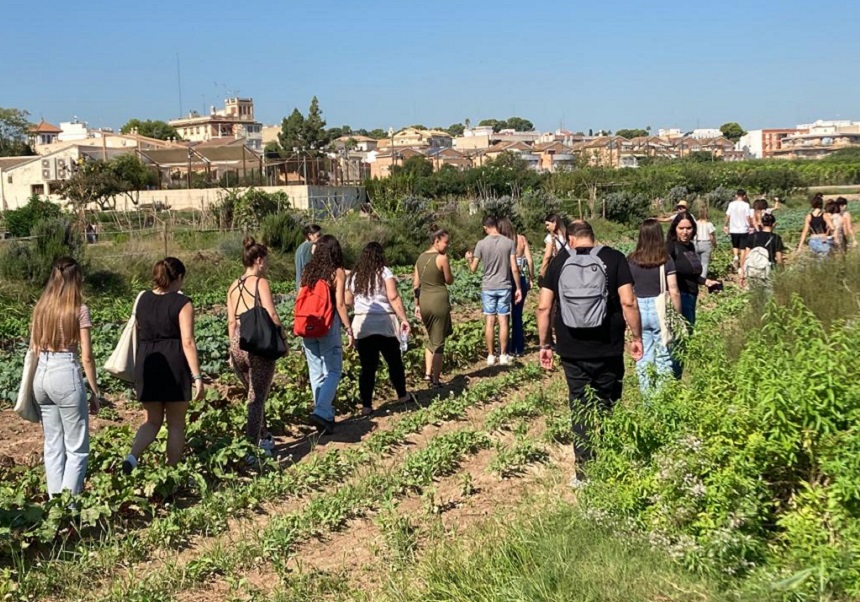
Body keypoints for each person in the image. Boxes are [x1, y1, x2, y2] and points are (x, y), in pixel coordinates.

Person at [537, 221, 642, 484]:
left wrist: (545, 344)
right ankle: (611, 466)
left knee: (580, 408)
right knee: (609, 405)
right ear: (592, 236)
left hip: (572, 349)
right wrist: (636, 336)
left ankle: (583, 475)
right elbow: (628, 301)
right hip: (609, 347)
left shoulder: (559, 262)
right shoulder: (614, 258)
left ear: (571, 238)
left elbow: (543, 308)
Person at [123, 258, 205, 474]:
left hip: (148, 363)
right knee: (176, 424)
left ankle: (132, 456)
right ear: (178, 278)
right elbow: (187, 342)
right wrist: (197, 377)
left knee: (152, 421)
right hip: (173, 362)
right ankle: (171, 471)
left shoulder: (143, 299)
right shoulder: (183, 303)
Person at [30, 257, 100, 497]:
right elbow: (87, 357)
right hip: (65, 373)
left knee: (52, 445)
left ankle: (54, 502)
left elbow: (34, 346)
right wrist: (94, 391)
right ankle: (67, 508)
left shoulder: (41, 308)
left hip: (41, 374)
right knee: (77, 449)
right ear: (77, 278)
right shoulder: (79, 310)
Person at [227, 237, 286, 461]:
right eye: (266, 261)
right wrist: (283, 338)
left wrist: (231, 350)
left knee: (253, 393)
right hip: (257, 342)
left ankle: (265, 437)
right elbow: (271, 313)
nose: (267, 265)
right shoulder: (260, 283)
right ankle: (251, 448)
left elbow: (231, 322)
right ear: (259, 260)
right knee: (257, 397)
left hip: (237, 342)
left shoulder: (233, 286)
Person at [345, 242, 413, 416]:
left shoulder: (354, 276)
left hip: (362, 324)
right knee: (394, 362)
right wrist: (403, 319)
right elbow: (393, 296)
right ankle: (402, 395)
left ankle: (366, 406)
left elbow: (347, 301)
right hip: (384, 324)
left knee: (368, 366)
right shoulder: (384, 272)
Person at [299, 234, 353, 435]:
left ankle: (326, 415)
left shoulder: (308, 271)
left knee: (316, 371)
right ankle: (321, 411)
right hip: (327, 325)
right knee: (334, 370)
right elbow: (340, 303)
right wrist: (348, 328)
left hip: (308, 325)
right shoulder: (336, 272)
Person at [628, 220, 682, 395]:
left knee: (643, 357)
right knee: (664, 357)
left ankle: (648, 400)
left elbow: (627, 291)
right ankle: (663, 400)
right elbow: (673, 290)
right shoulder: (665, 260)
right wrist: (677, 315)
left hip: (639, 309)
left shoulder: (631, 260)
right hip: (660, 309)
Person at [465, 216, 522, 366]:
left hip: (488, 287)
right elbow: (514, 268)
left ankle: (490, 355)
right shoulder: (509, 243)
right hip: (504, 286)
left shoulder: (481, 244)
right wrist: (519, 287)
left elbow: (473, 269)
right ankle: (503, 355)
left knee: (489, 321)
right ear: (497, 225)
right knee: (503, 321)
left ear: (485, 227)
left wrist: (469, 259)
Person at [413, 229, 454, 388]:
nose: (447, 245)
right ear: (437, 241)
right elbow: (449, 280)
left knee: (431, 338)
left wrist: (417, 304)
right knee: (438, 343)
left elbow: (416, 285)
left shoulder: (420, 258)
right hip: (438, 301)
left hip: (424, 302)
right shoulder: (442, 258)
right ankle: (435, 380)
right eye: (446, 242)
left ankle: (427, 373)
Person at [667, 212, 721, 330]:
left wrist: (706, 282)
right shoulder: (671, 247)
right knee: (683, 332)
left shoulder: (690, 246)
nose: (685, 232)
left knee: (689, 329)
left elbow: (691, 273)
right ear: (675, 228)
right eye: (681, 228)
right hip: (680, 296)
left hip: (691, 294)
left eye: (688, 228)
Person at [497, 217, 534, 356]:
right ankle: (518, 347)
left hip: (505, 279)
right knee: (517, 315)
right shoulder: (522, 239)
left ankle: (504, 349)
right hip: (521, 278)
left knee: (504, 315)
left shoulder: (501, 243)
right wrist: (531, 278)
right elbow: (529, 261)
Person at [740, 213, 785, 288]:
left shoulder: (752, 236)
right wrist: (781, 271)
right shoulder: (776, 238)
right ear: (774, 224)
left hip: (752, 268)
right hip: (768, 269)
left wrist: (742, 272)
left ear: (761, 224)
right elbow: (779, 259)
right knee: (768, 293)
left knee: (753, 292)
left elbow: (746, 256)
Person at [724, 189, 753, 270]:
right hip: (744, 229)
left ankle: (736, 256)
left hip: (733, 229)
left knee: (735, 245)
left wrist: (726, 225)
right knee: (743, 248)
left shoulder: (731, 204)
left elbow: (727, 215)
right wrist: (750, 225)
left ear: (736, 195)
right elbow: (747, 217)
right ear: (744, 196)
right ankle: (742, 265)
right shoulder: (746, 205)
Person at [538, 213, 567, 282]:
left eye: (548, 225)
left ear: (554, 223)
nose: (547, 227)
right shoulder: (568, 236)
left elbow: (547, 256)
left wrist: (542, 270)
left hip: (557, 268)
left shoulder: (551, 238)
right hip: (568, 266)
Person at [295, 224, 322, 290]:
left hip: (301, 284)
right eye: (318, 235)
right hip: (308, 285)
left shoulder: (300, 247)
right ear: (310, 235)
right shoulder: (311, 247)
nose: (320, 238)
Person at [694, 207, 717, 278]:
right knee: (704, 263)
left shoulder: (695, 223)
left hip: (696, 243)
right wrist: (715, 244)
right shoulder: (709, 224)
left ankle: (696, 277)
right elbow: (712, 236)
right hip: (706, 244)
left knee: (697, 262)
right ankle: (702, 279)